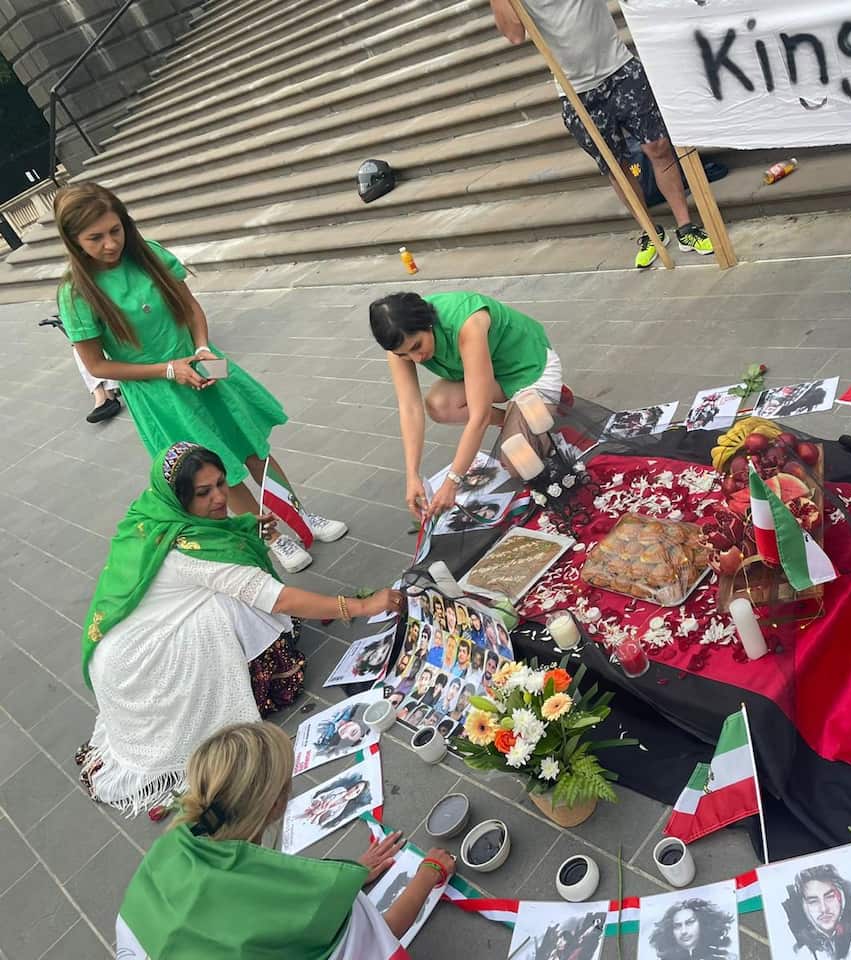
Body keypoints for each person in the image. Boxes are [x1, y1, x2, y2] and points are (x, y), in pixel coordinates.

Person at [76, 442, 404, 815]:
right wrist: (361, 606)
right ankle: (262, 681)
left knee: (229, 596)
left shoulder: (152, 515)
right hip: (142, 668)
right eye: (204, 493)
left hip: (121, 652)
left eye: (220, 484)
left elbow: (220, 537)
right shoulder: (187, 550)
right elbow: (276, 599)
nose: (219, 498)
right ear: (179, 498)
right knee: (228, 604)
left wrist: (242, 528)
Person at [54, 182, 345, 573]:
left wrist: (203, 347)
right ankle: (271, 537)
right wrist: (168, 370)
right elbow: (98, 366)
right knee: (217, 469)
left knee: (253, 447)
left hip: (202, 366)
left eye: (115, 230)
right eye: (96, 237)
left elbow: (191, 310)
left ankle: (301, 515)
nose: (110, 244)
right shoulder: (76, 295)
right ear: (74, 241)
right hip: (160, 392)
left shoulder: (149, 255)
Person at [115, 722, 456, 957]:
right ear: (277, 804)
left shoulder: (172, 848)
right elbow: (376, 943)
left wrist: (351, 872)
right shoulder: (296, 902)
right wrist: (428, 874)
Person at [489, 0, 715, 269]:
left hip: (620, 70)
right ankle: (650, 232)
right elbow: (514, 34)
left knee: (658, 146)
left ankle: (685, 226)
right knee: (617, 166)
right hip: (576, 92)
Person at [371, 291, 564, 522]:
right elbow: (410, 408)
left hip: (529, 369)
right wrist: (412, 475)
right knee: (439, 405)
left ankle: (537, 412)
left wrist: (453, 481)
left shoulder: (467, 323)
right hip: (490, 376)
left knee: (516, 463)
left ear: (428, 323)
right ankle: (523, 419)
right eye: (404, 355)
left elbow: (479, 416)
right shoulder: (398, 342)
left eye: (417, 346)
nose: (416, 359)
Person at [780, 864, 851, 960]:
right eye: (813, 901)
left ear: (841, 897)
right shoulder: (799, 951)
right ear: (803, 906)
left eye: (830, 897)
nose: (823, 909)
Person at [649, 898, 737, 960]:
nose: (683, 931)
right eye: (677, 926)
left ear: (703, 923)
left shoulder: (726, 958)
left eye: (690, 922)